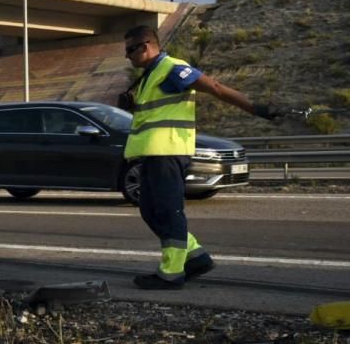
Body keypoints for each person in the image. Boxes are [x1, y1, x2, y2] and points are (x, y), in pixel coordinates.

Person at [120, 26, 279, 289]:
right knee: (151, 211)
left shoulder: (172, 68)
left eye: (130, 50)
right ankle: (196, 257)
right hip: (152, 154)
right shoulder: (151, 74)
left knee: (169, 212)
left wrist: (255, 108)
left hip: (168, 152)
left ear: (146, 46)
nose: (127, 57)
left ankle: (170, 273)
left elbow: (215, 87)